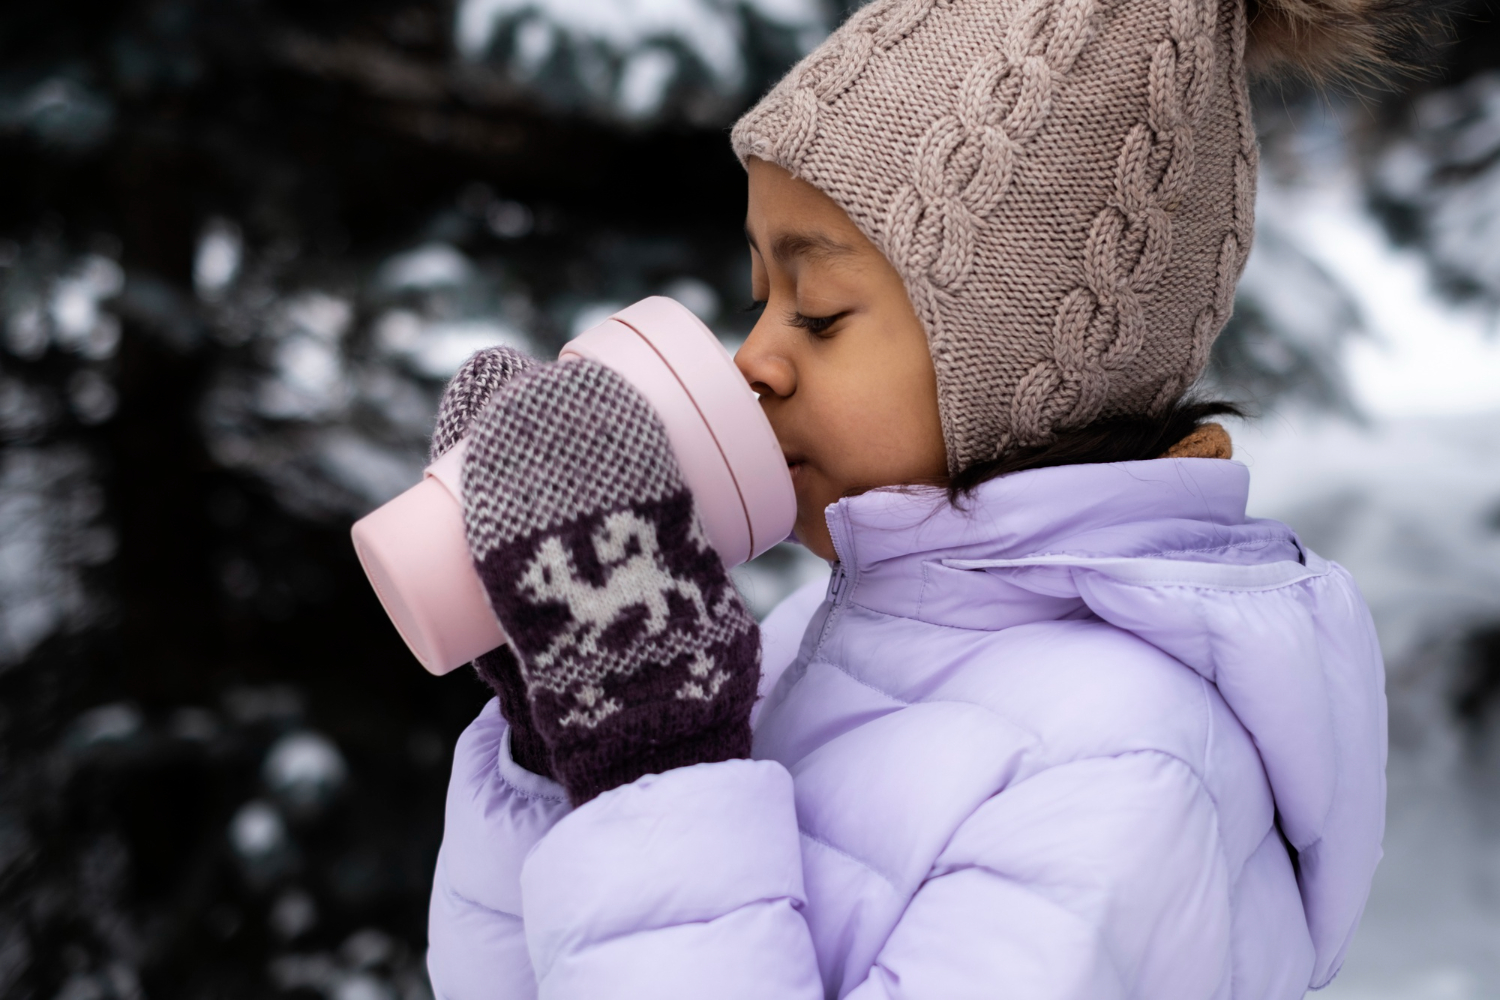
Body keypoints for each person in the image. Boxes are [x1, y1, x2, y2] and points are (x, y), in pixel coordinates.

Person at [423, 0, 1401, 995]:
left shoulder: (1126, 761)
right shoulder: (824, 630)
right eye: (761, 300)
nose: (753, 357)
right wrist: (558, 745)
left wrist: (656, 773)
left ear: (1025, 358)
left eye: (819, 311)